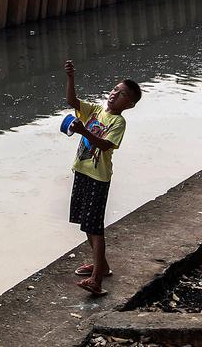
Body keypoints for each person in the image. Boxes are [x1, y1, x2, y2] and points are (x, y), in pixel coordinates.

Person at [63, 59, 141, 297]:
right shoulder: (96, 111)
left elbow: (106, 145)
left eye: (122, 94)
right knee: (86, 224)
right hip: (82, 171)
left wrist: (84, 131)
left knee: (95, 228)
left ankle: (97, 280)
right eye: (115, 90)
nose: (115, 94)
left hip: (98, 178)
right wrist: (71, 78)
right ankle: (102, 266)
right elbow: (72, 102)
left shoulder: (118, 122)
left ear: (130, 104)